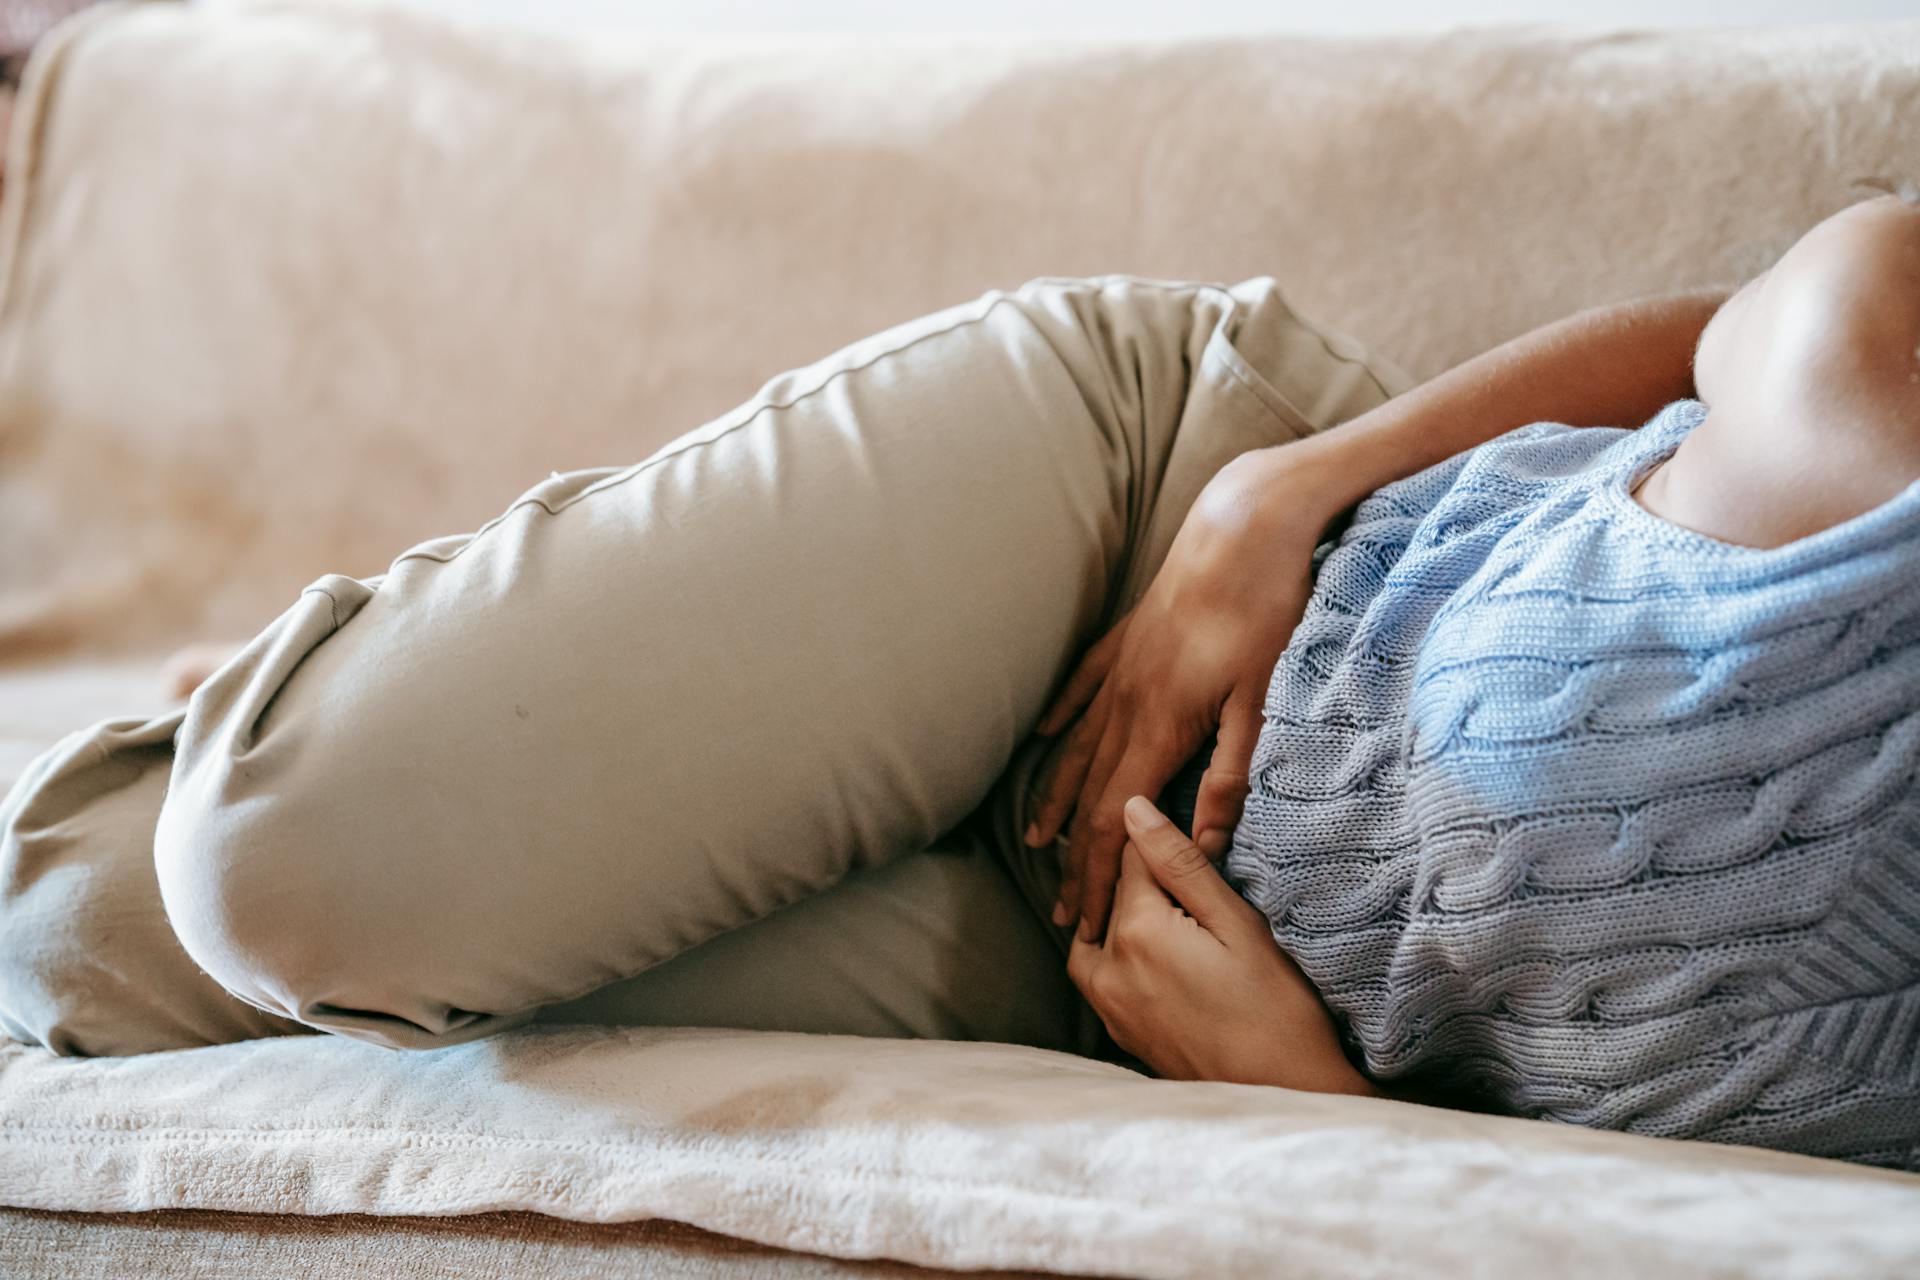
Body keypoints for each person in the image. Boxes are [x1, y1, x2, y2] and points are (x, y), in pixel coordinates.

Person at [1, 187, 1913, 1171]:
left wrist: (1318, 1106)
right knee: (276, 859)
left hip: (1111, 980)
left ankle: (393, 682)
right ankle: (389, 679)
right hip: (1150, 548)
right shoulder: (1885, 367)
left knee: (72, 937)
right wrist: (1283, 490)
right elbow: (1737, 322)